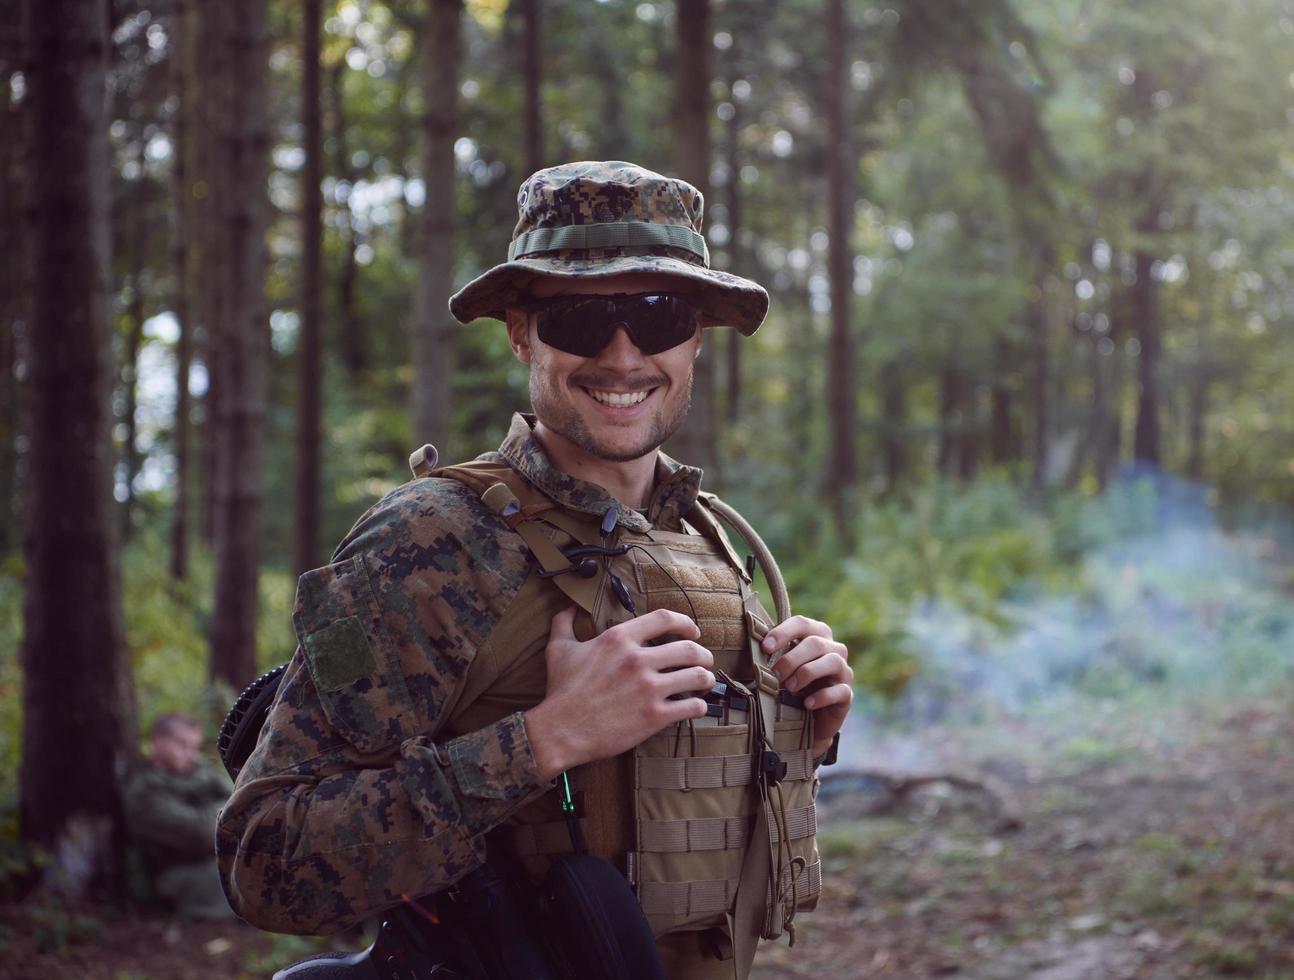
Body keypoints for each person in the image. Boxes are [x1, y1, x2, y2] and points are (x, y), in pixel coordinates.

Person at [217, 161, 853, 978]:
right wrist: (547, 738)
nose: (624, 356)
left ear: (697, 334)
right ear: (521, 331)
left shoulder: (703, 536)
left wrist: (798, 727)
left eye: (659, 315)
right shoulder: (430, 543)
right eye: (581, 320)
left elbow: (678, 830)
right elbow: (268, 864)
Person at [125, 713, 236, 920]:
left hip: (216, 859)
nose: (190, 754)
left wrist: (222, 810)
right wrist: (227, 809)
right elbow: (202, 833)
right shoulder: (145, 789)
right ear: (158, 743)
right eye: (182, 744)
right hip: (180, 873)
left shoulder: (199, 771)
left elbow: (243, 798)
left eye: (194, 747)